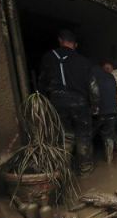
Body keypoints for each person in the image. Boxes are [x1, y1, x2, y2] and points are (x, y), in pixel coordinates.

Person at [38, 29, 96, 175]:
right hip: (80, 103)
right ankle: (86, 170)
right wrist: (95, 106)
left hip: (57, 103)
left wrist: (43, 102)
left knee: (65, 137)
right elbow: (93, 87)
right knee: (83, 136)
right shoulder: (84, 61)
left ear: (60, 40)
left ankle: (64, 173)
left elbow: (42, 83)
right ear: (75, 44)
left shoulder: (48, 58)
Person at [91, 64, 117, 164]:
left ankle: (87, 163)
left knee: (87, 136)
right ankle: (109, 160)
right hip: (112, 111)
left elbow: (92, 92)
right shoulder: (111, 76)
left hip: (98, 112)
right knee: (109, 136)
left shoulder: (91, 76)